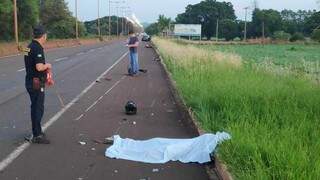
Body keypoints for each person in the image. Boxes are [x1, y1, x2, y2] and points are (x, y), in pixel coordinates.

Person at [24, 25, 52, 144]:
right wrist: (48, 65)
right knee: (38, 108)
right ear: (43, 35)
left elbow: (27, 61)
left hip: (29, 79)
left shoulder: (28, 46)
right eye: (46, 35)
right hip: (36, 82)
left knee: (34, 106)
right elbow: (39, 67)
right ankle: (37, 135)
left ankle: (37, 130)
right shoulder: (38, 48)